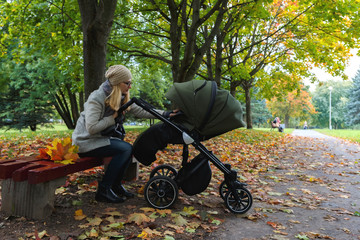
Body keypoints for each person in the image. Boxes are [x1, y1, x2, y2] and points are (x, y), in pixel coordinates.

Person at [72, 65, 173, 203]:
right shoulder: (97, 97)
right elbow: (91, 128)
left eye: (130, 82)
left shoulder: (119, 96)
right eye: (127, 83)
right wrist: (112, 118)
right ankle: (104, 190)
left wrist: (167, 114)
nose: (130, 86)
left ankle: (115, 185)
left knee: (127, 148)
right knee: (125, 149)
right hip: (85, 142)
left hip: (99, 139)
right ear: (117, 82)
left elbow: (140, 110)